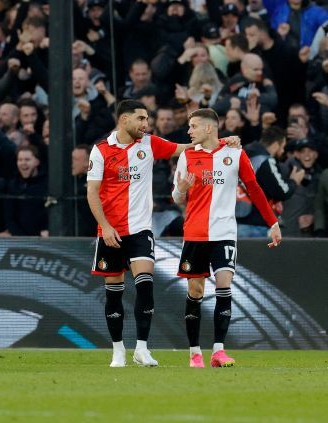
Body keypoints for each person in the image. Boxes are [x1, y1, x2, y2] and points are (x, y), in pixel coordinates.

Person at [86, 100, 239, 368]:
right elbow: (92, 192)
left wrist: (221, 139)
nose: (146, 124)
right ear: (124, 120)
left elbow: (187, 147)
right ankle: (118, 351)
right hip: (110, 231)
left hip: (141, 230)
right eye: (141, 119)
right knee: (114, 292)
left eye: (147, 119)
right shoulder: (100, 151)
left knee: (145, 284)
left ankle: (142, 348)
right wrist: (106, 226)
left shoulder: (149, 144)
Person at [172, 108, 281, 368]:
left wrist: (273, 223)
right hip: (195, 234)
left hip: (224, 233)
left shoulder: (234, 153)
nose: (189, 131)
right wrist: (182, 190)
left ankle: (218, 351)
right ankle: (194, 353)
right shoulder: (187, 156)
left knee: (224, 285)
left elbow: (254, 188)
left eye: (194, 126)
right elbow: (176, 197)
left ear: (209, 128)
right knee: (195, 291)